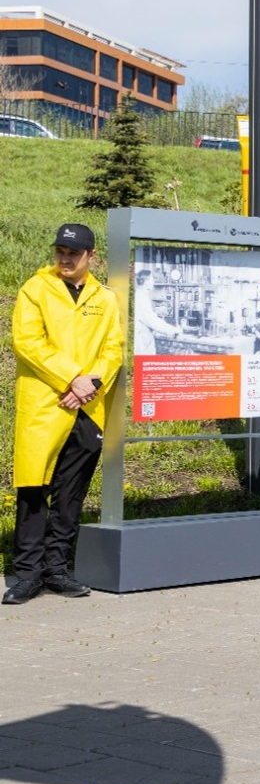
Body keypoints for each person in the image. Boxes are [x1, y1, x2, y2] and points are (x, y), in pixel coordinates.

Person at [7, 224, 124, 605]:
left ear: (91, 255)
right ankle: (28, 573)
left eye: (74, 252)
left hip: (87, 406)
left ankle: (57, 569)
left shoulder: (104, 298)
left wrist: (92, 383)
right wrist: (72, 378)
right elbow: (27, 342)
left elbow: (114, 348)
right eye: (60, 250)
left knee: (71, 493)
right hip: (47, 404)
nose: (65, 258)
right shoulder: (35, 289)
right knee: (33, 490)